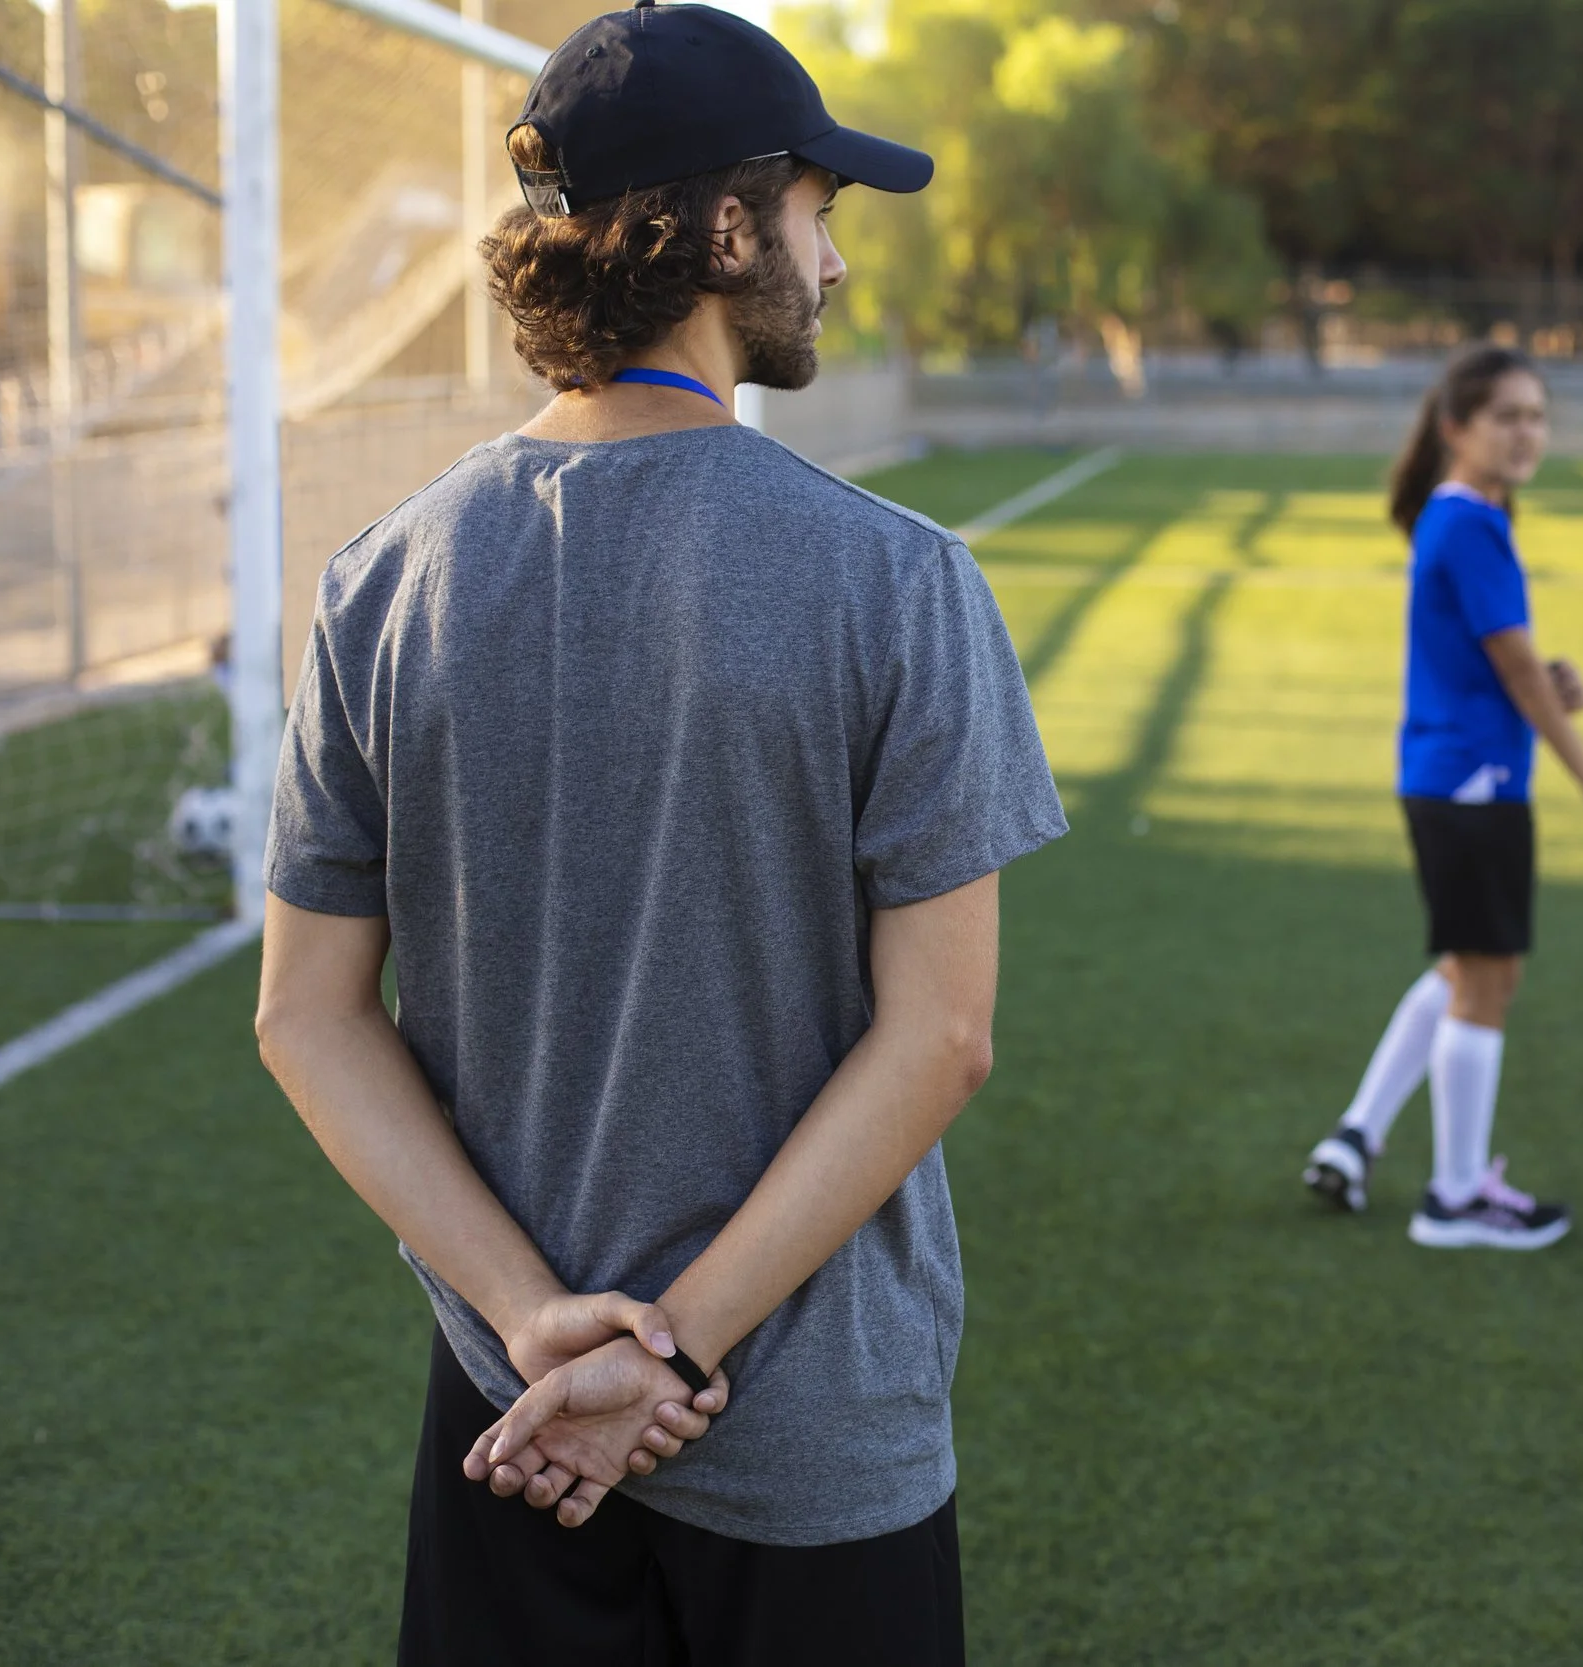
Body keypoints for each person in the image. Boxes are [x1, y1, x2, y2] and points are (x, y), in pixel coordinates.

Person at [253, 7, 1066, 1661]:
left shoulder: (381, 578)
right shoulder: (900, 580)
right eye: (817, 212)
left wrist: (545, 1323)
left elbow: (305, 1014)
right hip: (806, 1440)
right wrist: (675, 1352)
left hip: (516, 1421)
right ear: (720, 228)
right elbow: (946, 1035)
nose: (831, 264)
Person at [1301, 345, 1583, 1250]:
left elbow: (1505, 667)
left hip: (1448, 774)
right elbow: (1519, 672)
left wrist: (1542, 684)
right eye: (1509, 416)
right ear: (1458, 427)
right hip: (1473, 783)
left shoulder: (1458, 520)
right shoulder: (1472, 527)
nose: (1529, 432)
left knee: (1465, 967)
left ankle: (1358, 1134)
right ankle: (1454, 1197)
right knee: (1487, 979)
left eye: (1538, 415)